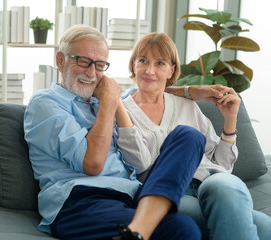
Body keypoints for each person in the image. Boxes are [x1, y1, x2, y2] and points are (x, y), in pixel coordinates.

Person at [23, 25, 223, 240]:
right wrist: (110, 101)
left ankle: (137, 232)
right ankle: (138, 232)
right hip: (80, 203)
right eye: (82, 61)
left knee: (189, 135)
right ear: (61, 60)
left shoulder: (105, 99)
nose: (91, 72)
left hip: (131, 196)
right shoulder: (46, 102)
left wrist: (191, 91)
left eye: (99, 65)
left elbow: (148, 86)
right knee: (183, 229)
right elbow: (92, 164)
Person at [116, 32, 271, 240]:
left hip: (211, 179)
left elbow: (223, 166)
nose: (149, 70)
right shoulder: (121, 111)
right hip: (169, 193)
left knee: (225, 186)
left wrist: (230, 119)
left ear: (171, 70)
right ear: (133, 64)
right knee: (263, 226)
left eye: (160, 63)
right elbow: (141, 165)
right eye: (143, 60)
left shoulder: (186, 105)